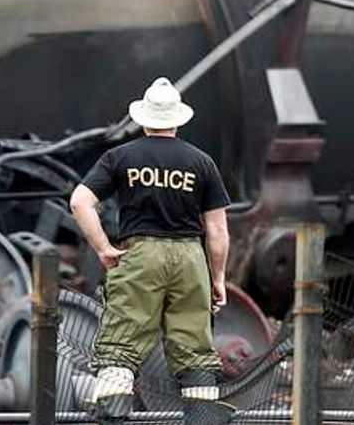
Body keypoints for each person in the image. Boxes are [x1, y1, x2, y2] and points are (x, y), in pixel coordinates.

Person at [70, 77, 232, 425]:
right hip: (190, 258)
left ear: (144, 120)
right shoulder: (202, 163)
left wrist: (102, 247)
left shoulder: (120, 157)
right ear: (177, 120)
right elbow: (218, 231)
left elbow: (80, 201)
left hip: (139, 256)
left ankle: (114, 419)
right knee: (196, 352)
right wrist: (217, 277)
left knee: (121, 345)